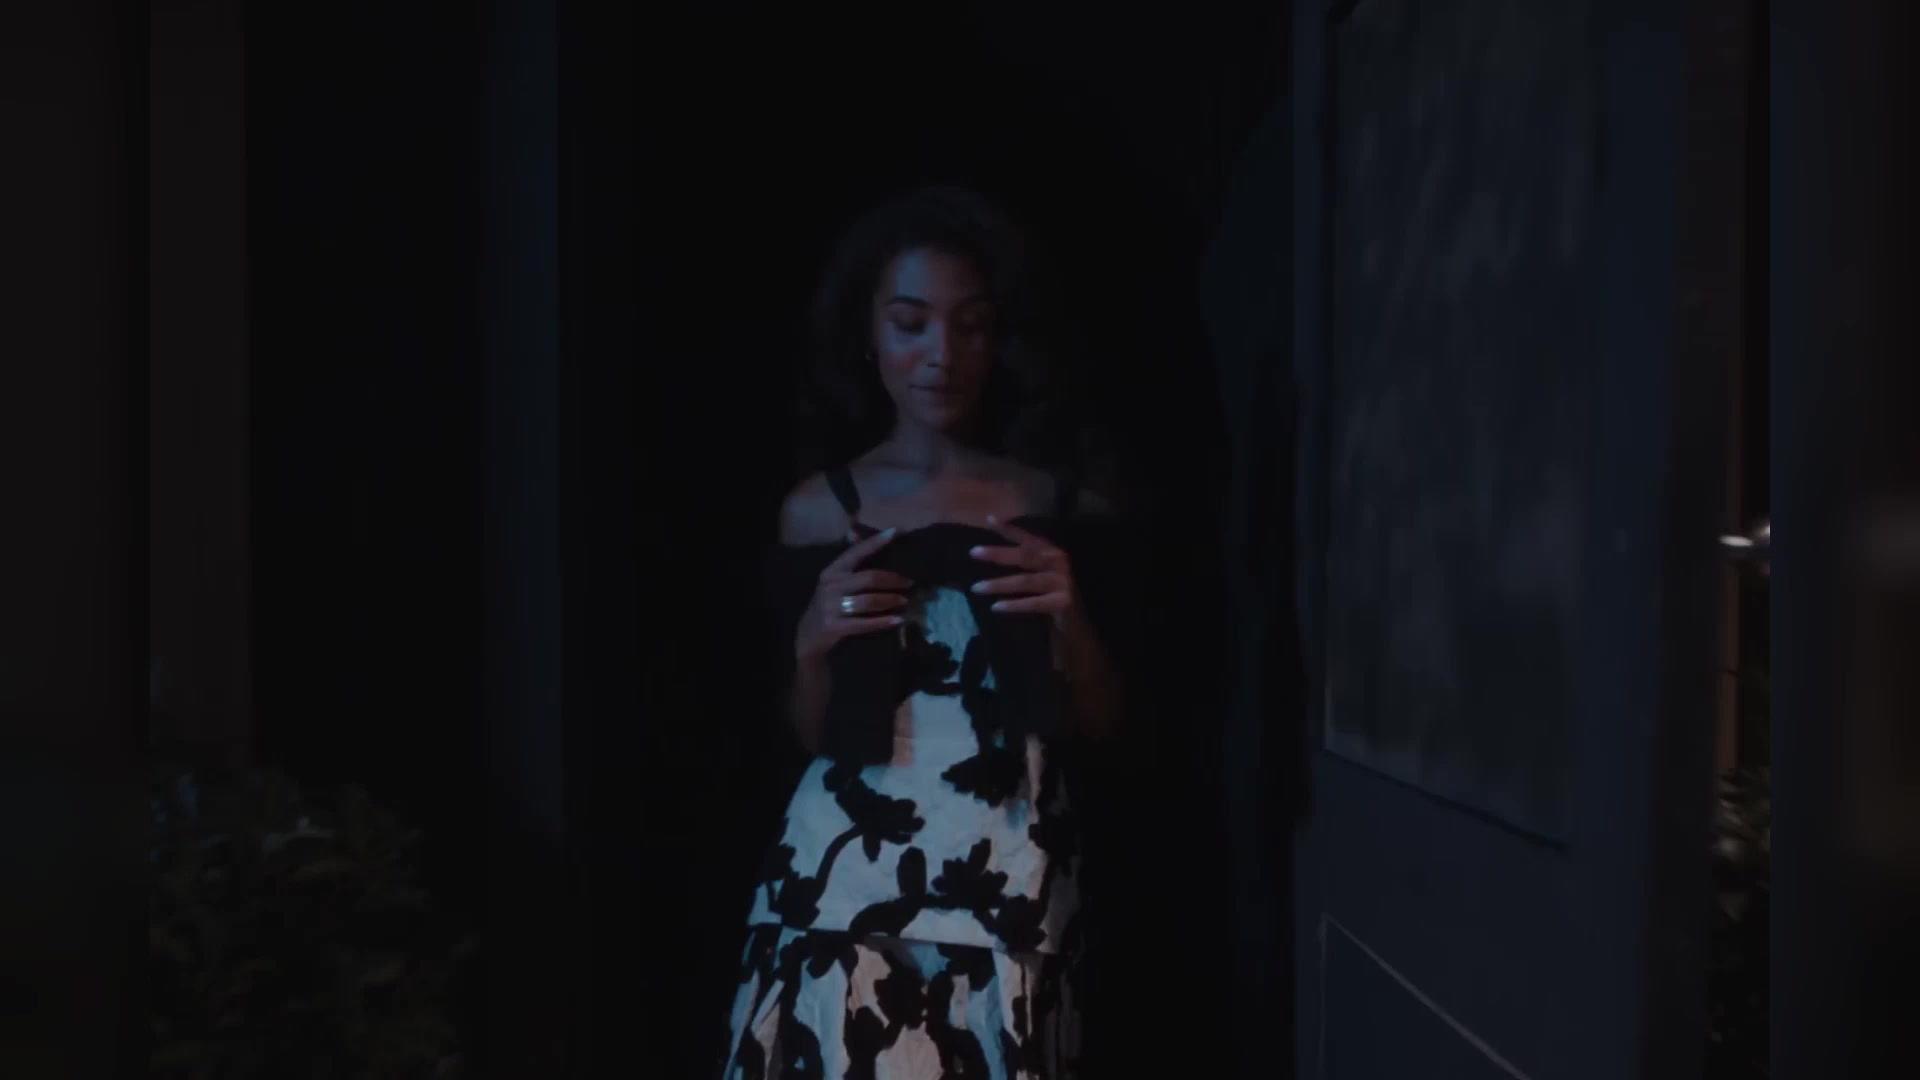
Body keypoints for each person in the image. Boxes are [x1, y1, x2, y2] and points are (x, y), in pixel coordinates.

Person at [719, 187, 1129, 1078]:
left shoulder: (1055, 504)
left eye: (969, 326)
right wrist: (813, 642)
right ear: (869, 334)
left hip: (1009, 873)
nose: (941, 353)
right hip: (841, 875)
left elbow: (1103, 723)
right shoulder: (819, 510)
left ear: (997, 338)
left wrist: (1071, 617)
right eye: (911, 323)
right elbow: (813, 735)